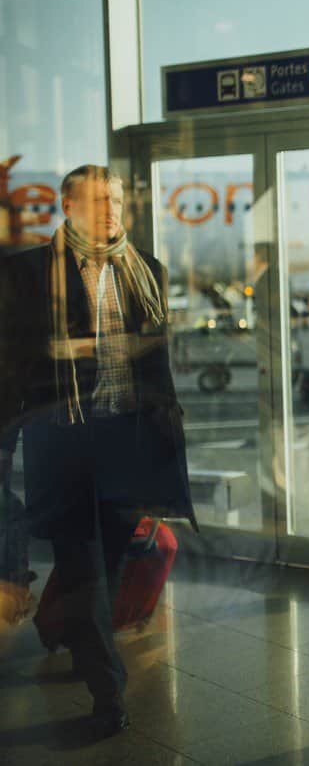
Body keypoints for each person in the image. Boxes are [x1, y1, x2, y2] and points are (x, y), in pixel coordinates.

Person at [0, 165, 196, 738]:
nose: (111, 210)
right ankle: (108, 690)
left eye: (117, 200)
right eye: (97, 199)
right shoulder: (28, 274)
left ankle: (74, 635)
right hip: (59, 446)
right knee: (84, 570)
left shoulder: (146, 271)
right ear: (67, 205)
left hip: (126, 445)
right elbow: (11, 368)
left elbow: (156, 369)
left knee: (107, 571)